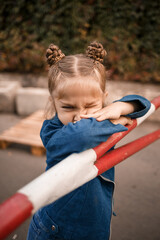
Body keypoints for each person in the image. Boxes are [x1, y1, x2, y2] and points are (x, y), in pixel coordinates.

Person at [27, 42, 151, 240]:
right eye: (68, 107)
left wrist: (122, 107)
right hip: (56, 228)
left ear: (103, 99)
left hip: (96, 221)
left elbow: (143, 103)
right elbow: (82, 135)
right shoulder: (52, 131)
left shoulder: (105, 115)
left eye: (90, 106)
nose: (80, 115)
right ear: (53, 102)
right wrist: (115, 121)